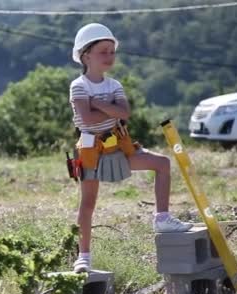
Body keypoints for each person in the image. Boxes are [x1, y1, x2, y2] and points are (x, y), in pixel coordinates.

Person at [69, 23, 193, 273]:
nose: (109, 56)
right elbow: (88, 119)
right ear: (86, 56)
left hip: (119, 144)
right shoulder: (78, 85)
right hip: (91, 150)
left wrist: (97, 104)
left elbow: (124, 113)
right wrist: (107, 108)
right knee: (88, 204)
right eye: (103, 51)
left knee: (162, 164)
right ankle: (83, 257)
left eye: (112, 51)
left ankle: (162, 218)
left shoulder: (114, 85)